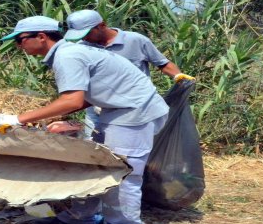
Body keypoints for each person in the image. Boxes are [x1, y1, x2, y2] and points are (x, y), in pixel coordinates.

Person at [0, 16, 169, 224]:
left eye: (20, 40)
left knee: (122, 173)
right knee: (96, 165)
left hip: (134, 113)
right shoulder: (70, 52)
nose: (18, 46)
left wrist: (17, 118)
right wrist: (46, 118)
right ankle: (80, 218)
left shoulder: (67, 56)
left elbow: (72, 100)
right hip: (119, 110)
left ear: (41, 37)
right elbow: (83, 98)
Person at [63, 9, 194, 139]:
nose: (84, 38)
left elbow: (162, 64)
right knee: (93, 147)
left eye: (87, 33)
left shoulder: (135, 40)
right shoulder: (83, 47)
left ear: (102, 25)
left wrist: (178, 76)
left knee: (129, 150)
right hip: (96, 109)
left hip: (132, 111)